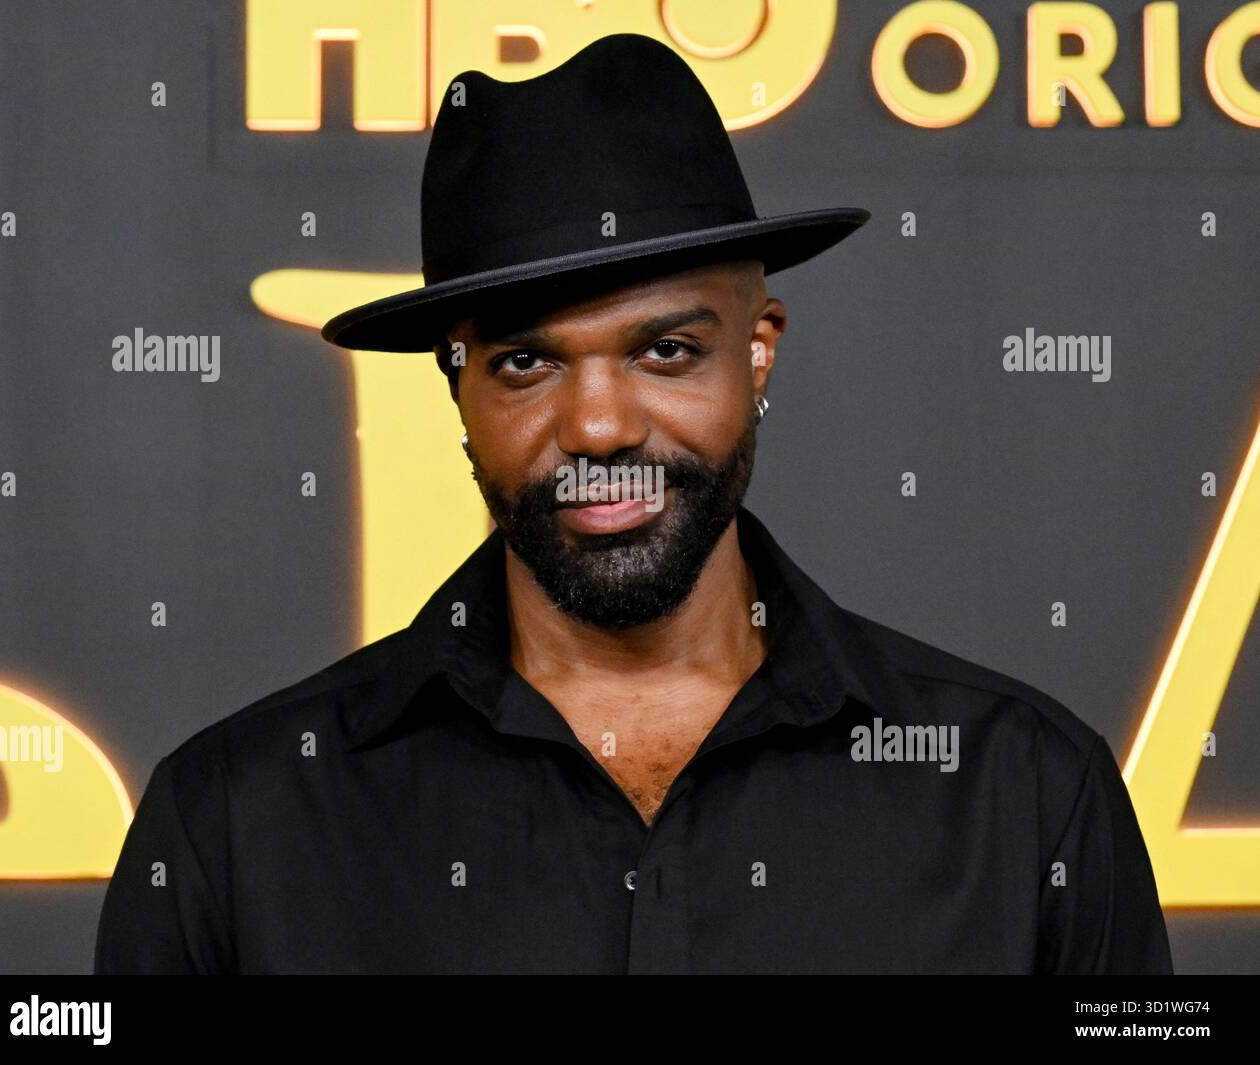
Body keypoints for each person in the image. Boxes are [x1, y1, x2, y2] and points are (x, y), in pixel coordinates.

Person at [94, 33, 1172, 974]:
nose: (599, 426)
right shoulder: (235, 823)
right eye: (525, 363)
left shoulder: (1025, 796)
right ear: (457, 388)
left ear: (758, 351)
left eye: (665, 350)